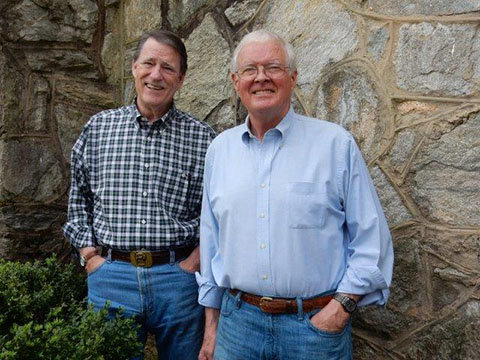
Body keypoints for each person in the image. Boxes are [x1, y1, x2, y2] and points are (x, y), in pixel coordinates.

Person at [196, 30, 393, 360]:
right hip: (237, 328)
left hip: (313, 332)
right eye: (250, 70)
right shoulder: (219, 151)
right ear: (235, 80)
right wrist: (211, 327)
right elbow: (212, 242)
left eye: (273, 67)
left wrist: (340, 308)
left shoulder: (335, 145)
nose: (261, 78)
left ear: (293, 77)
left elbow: (371, 240)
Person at [63, 29, 215, 360]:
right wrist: (91, 257)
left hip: (178, 280)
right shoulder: (99, 128)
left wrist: (195, 261)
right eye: (148, 63)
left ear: (181, 78)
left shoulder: (204, 140)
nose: (156, 75)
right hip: (110, 277)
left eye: (168, 67)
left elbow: (218, 213)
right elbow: (78, 200)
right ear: (134, 67)